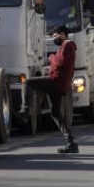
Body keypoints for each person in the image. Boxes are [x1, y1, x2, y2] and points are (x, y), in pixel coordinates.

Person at [21, 25, 78, 153]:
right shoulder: (67, 47)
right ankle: (72, 143)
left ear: (63, 34)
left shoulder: (67, 45)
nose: (54, 39)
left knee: (28, 82)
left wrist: (51, 58)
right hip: (60, 83)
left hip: (56, 82)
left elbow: (60, 62)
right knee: (55, 113)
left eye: (55, 36)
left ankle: (25, 109)